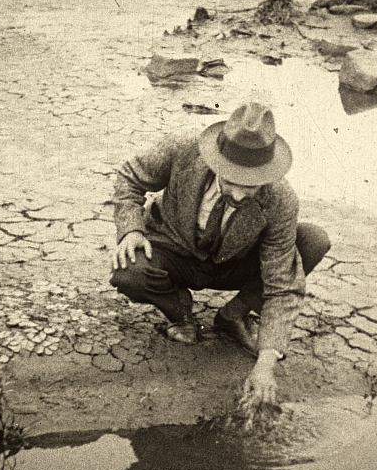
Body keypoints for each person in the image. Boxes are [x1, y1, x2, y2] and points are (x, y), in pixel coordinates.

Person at [110, 102, 331, 405]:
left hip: (233, 265)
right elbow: (129, 178)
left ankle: (232, 316)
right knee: (129, 271)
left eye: (250, 186)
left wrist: (266, 365)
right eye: (230, 182)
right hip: (175, 253)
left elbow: (282, 287)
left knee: (313, 240)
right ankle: (180, 313)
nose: (239, 195)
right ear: (215, 163)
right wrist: (131, 229)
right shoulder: (182, 150)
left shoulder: (281, 200)